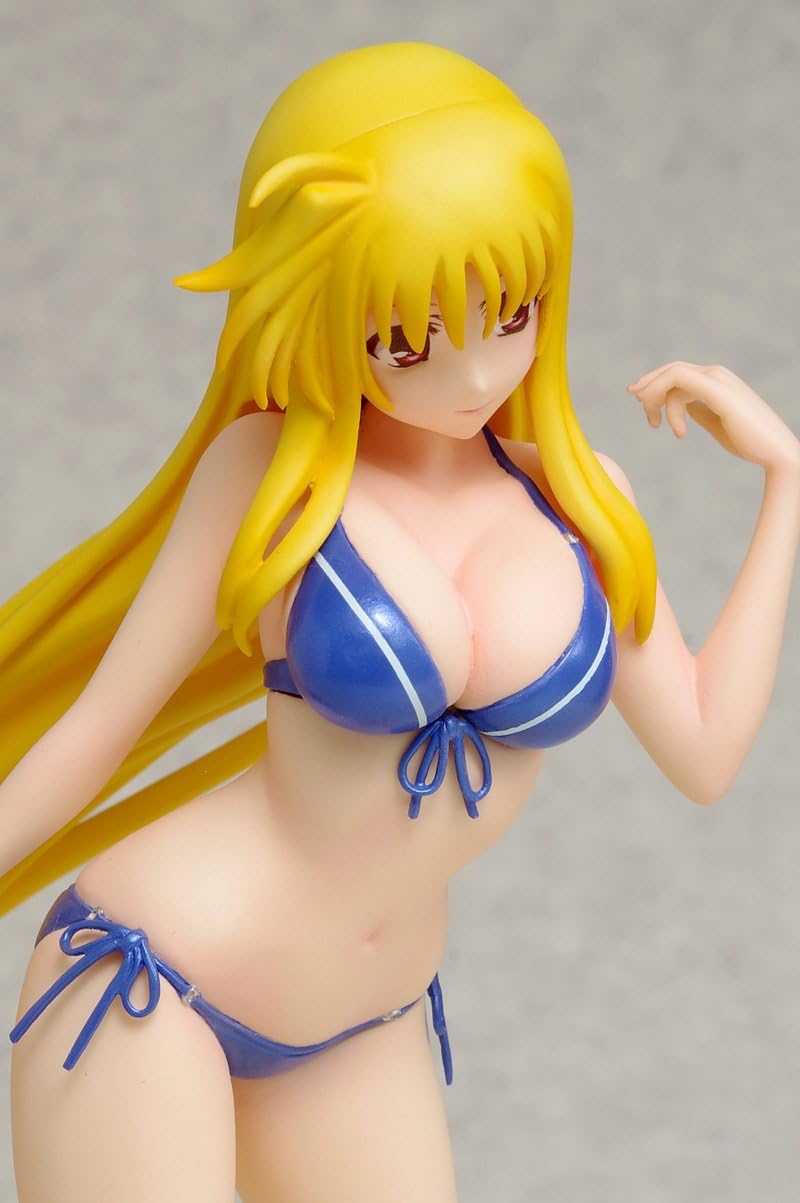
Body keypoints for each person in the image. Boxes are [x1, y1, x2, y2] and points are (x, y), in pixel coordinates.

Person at [2, 41, 798, 1203]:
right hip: (150, 978)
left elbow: (704, 753)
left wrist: (784, 484)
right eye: (407, 338)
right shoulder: (269, 475)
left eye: (510, 313)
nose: (472, 374)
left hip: (361, 1023)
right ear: (321, 309)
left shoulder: (581, 501)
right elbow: (98, 726)